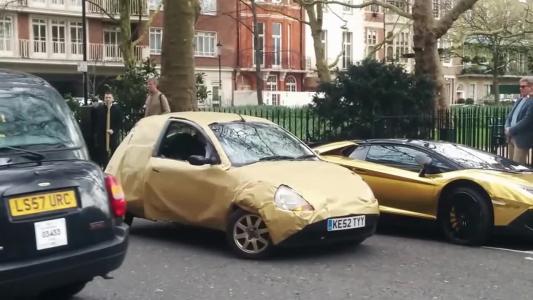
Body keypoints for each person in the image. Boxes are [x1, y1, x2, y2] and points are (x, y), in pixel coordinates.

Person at [504, 76, 533, 164]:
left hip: (521, 138)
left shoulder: (531, 101)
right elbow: (510, 116)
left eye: (523, 86)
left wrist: (511, 130)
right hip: (511, 136)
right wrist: (506, 127)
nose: (521, 88)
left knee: (518, 167)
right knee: (511, 165)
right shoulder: (519, 100)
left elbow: (527, 120)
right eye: (520, 86)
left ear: (531, 87)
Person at [92, 92, 122, 168]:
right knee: (103, 153)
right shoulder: (100, 109)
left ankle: (114, 167)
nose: (108, 99)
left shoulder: (116, 109)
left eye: (109, 97)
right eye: (106, 97)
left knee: (114, 152)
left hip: (112, 135)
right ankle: (105, 167)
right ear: (104, 99)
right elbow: (96, 121)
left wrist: (113, 130)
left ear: (112, 99)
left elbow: (119, 122)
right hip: (102, 135)